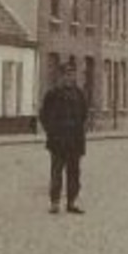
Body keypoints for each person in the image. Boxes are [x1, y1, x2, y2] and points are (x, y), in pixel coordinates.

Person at [38, 61, 89, 214]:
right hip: (57, 141)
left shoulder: (79, 94)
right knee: (56, 172)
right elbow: (43, 115)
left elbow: (84, 115)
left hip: (74, 141)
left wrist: (81, 131)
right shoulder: (53, 94)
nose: (70, 77)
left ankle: (71, 202)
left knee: (74, 173)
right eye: (67, 74)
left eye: (72, 74)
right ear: (61, 75)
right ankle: (55, 203)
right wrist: (51, 132)